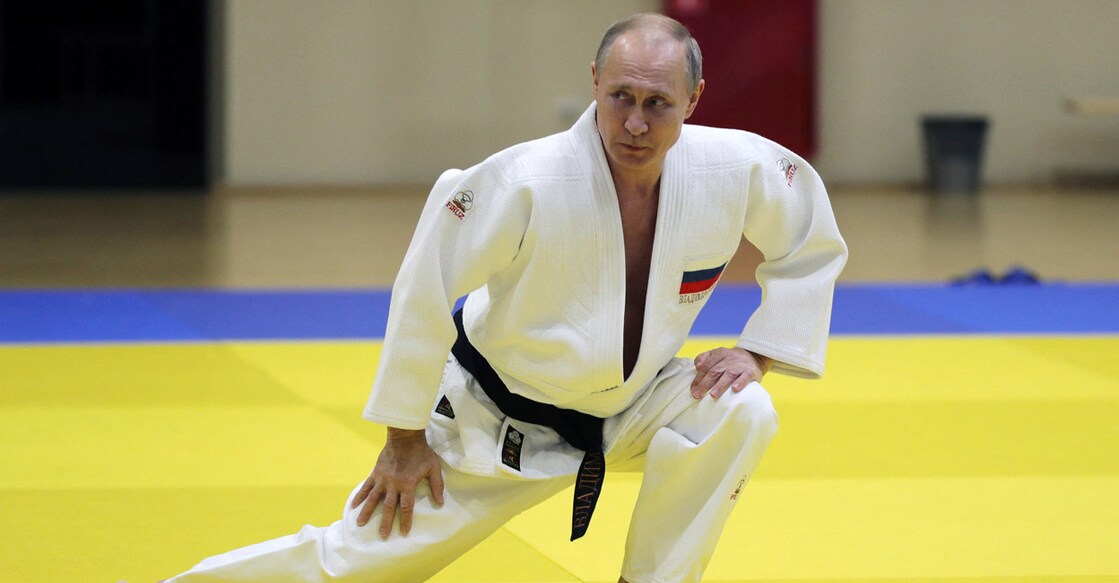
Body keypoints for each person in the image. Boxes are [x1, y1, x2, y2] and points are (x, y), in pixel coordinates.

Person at [160, 12, 846, 583]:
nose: (634, 123)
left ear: (692, 100)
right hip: (496, 423)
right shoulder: (520, 180)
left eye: (657, 104)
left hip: (633, 404)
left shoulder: (737, 168)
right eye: (620, 98)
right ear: (594, 84)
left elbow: (810, 238)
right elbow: (423, 290)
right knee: (352, 565)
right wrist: (403, 437)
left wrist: (759, 349)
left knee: (740, 410)